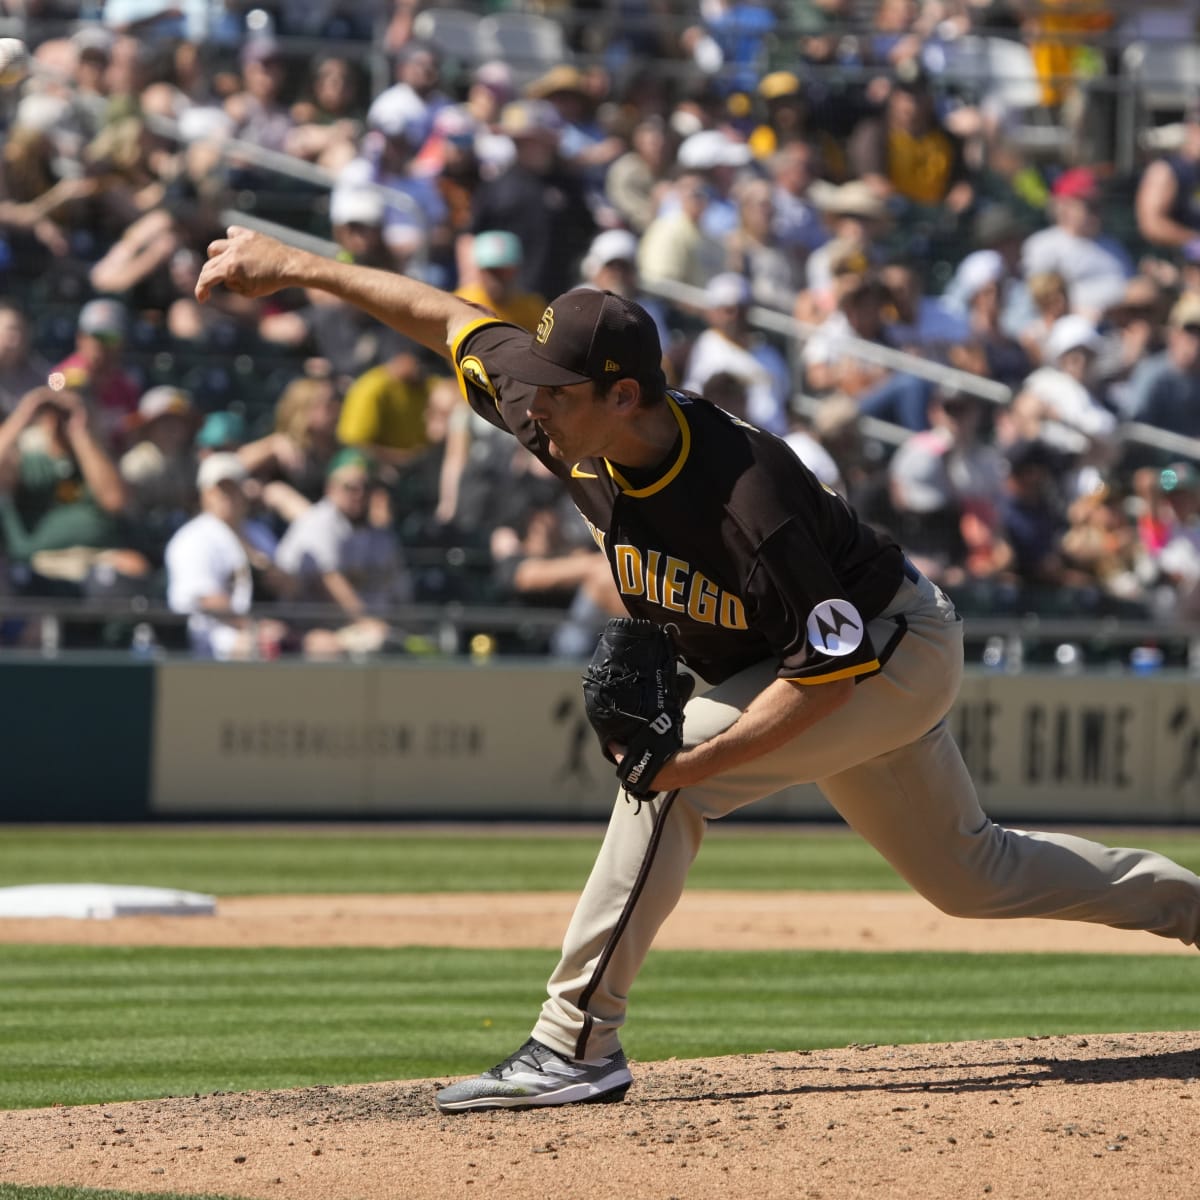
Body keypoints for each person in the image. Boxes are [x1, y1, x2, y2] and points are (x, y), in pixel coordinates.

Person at [196, 225, 1200, 1115]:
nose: (529, 404)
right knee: (971, 875)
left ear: (622, 396)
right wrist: (294, 266)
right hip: (799, 659)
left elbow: (829, 675)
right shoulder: (567, 416)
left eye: (555, 391)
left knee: (663, 777)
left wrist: (681, 770)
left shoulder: (747, 495)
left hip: (887, 651)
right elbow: (446, 317)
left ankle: (574, 1044)